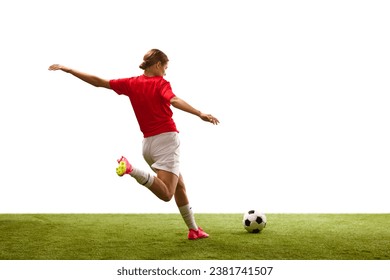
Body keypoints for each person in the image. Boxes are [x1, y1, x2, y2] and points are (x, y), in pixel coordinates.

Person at [48, 49, 219, 240]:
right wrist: (200, 113)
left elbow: (99, 82)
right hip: (167, 141)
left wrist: (70, 70)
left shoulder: (131, 83)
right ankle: (131, 170)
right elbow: (174, 99)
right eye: (165, 67)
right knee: (167, 193)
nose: (165, 72)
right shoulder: (160, 83)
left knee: (179, 185)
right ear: (157, 65)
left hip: (148, 146)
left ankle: (193, 229)